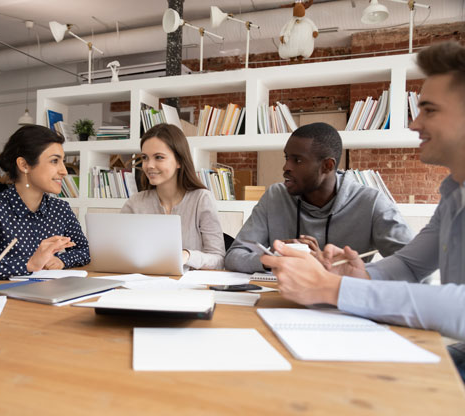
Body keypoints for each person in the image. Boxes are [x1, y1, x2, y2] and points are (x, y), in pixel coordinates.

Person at [260, 41, 465, 381]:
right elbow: (411, 263)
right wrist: (362, 276)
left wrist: (331, 288)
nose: (415, 125)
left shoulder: (371, 200)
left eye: (429, 110)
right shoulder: (454, 192)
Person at [225, 122, 413, 273]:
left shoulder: (372, 203)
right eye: (286, 158)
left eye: (297, 160)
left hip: (344, 305)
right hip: (283, 302)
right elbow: (234, 256)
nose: (286, 167)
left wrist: (344, 270)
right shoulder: (275, 196)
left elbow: (413, 267)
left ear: (327, 166)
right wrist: (273, 259)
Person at [0, 125, 90, 278]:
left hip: (49, 294)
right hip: (2, 297)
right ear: (24, 165)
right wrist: (29, 264)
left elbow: (84, 250)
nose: (64, 170)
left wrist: (61, 261)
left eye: (62, 161)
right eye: (54, 161)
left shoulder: (60, 209)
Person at [121, 123, 225, 270]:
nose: (149, 165)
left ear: (179, 161)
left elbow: (218, 259)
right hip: (144, 283)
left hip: (191, 289)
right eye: (145, 157)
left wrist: (187, 256)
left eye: (159, 157)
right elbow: (119, 253)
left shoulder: (202, 199)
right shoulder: (135, 203)